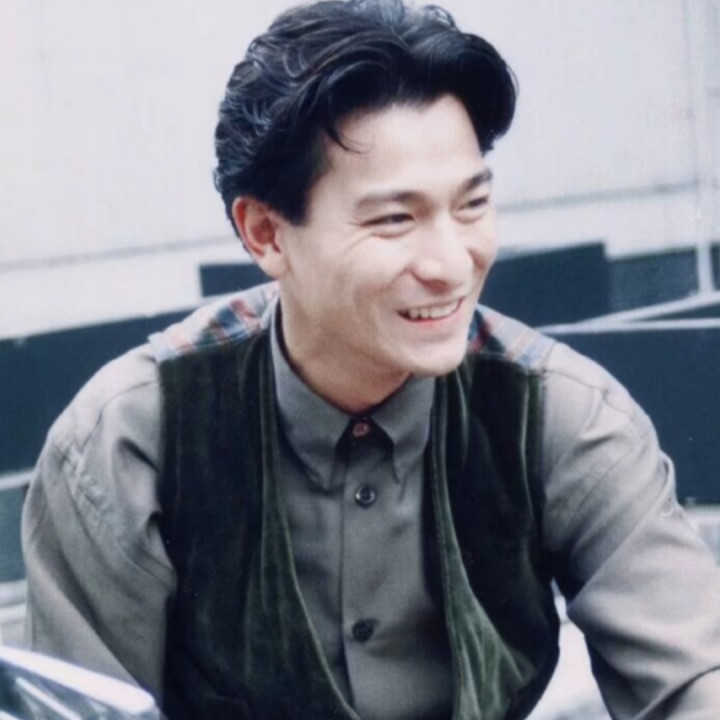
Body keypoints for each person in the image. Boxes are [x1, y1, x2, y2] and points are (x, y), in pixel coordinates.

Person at [21, 1, 720, 718]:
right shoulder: (128, 446)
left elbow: (697, 681)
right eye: (394, 219)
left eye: (472, 205)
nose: (451, 264)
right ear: (265, 233)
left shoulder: (562, 418)